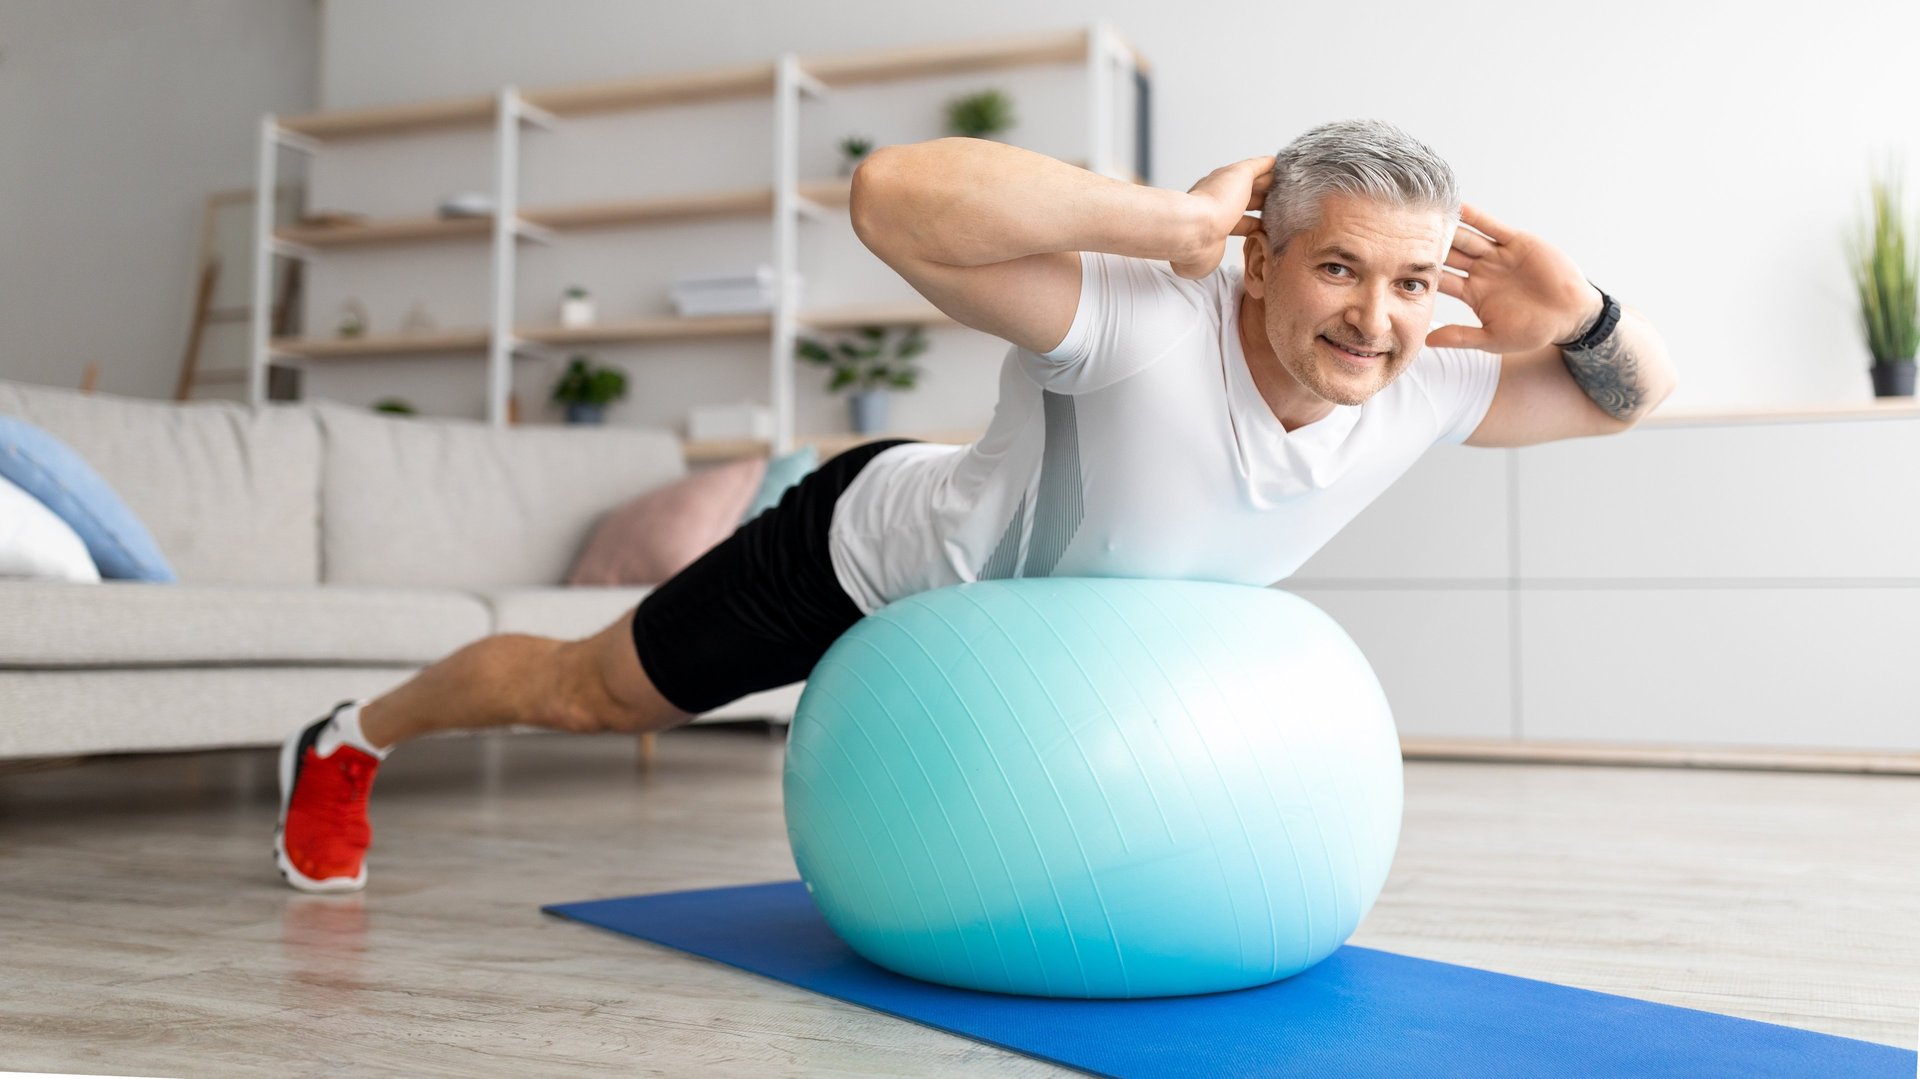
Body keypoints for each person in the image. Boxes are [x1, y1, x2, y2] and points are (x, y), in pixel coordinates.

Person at [274, 119, 1675, 893]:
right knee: (591, 696)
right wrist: (1157, 220)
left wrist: (1588, 306)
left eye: (1414, 282)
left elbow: (1626, 398)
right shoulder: (1145, 320)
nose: (1377, 317)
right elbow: (893, 195)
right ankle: (352, 736)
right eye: (1338, 270)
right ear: (1259, 261)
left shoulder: (1423, 384)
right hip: (867, 564)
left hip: (1050, 677)